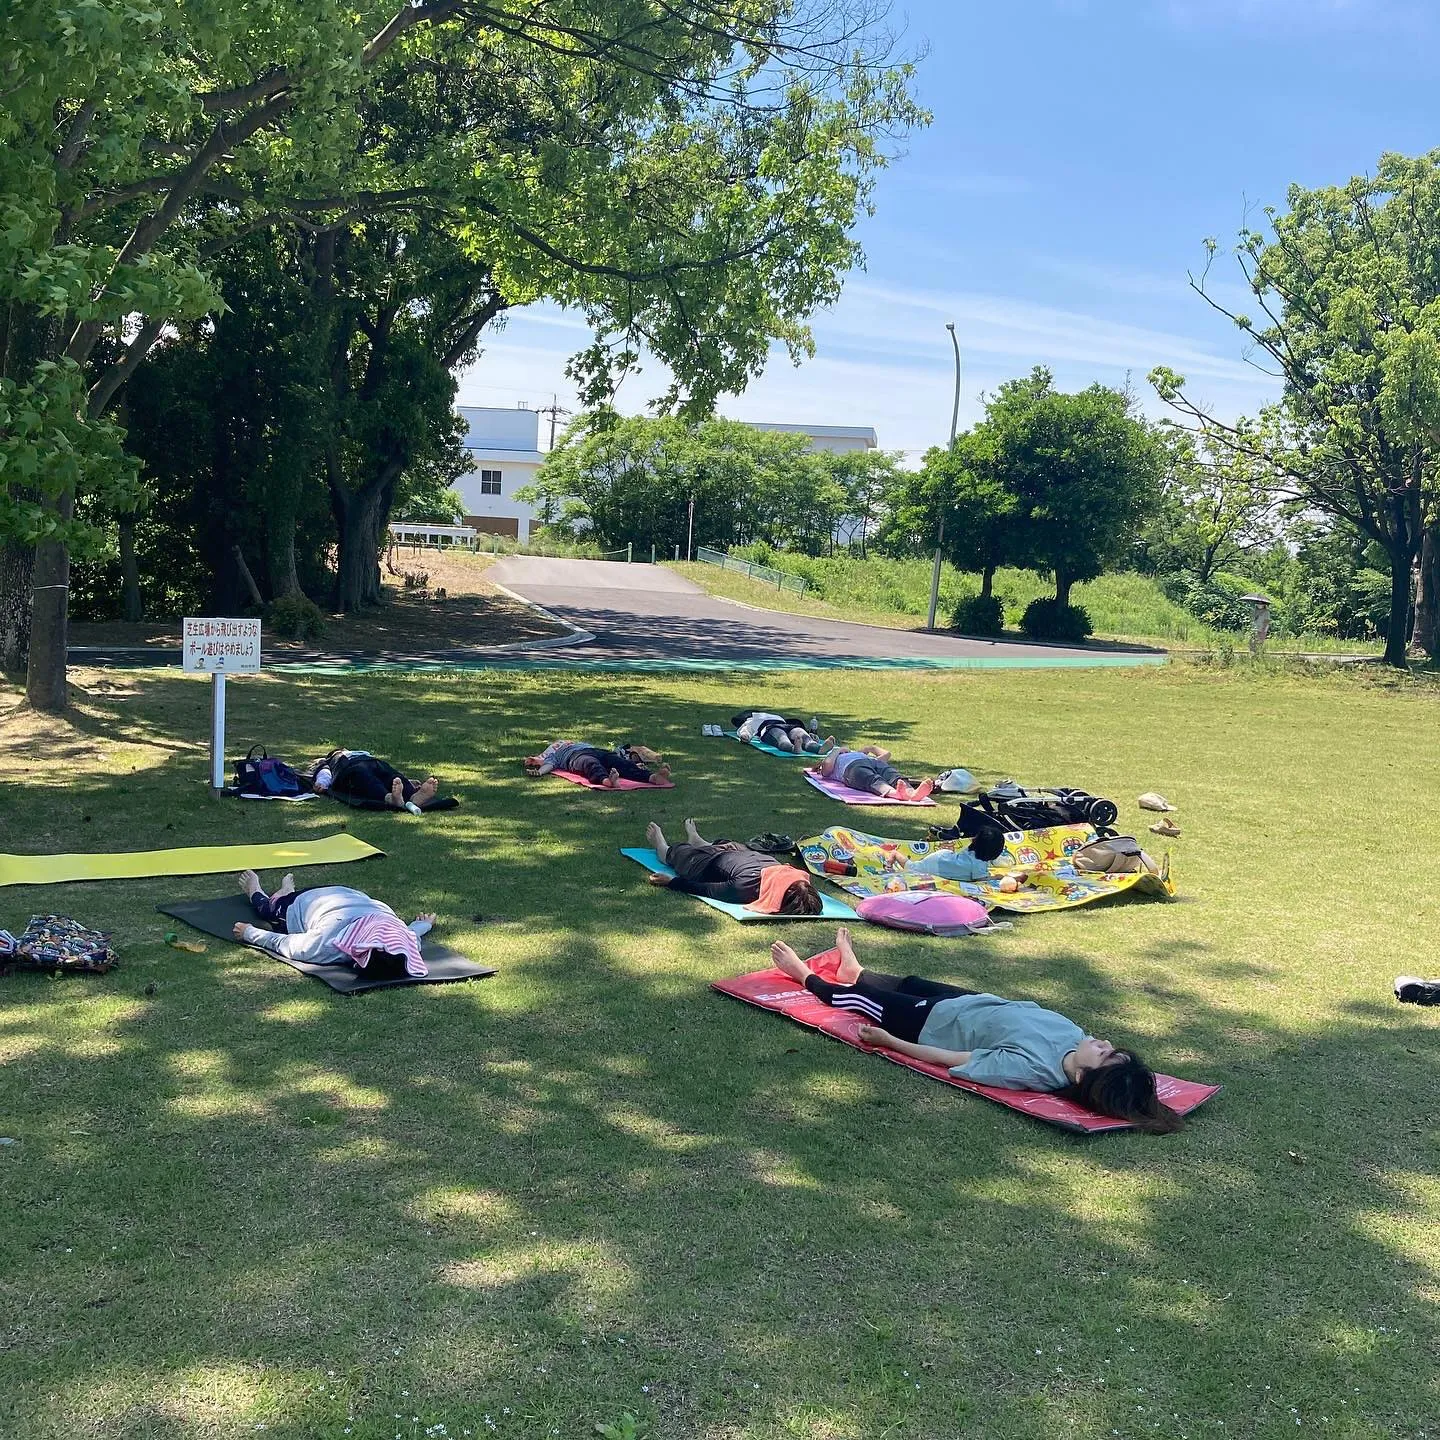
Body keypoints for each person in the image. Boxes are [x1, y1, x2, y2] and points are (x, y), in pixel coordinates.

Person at [769, 928, 1184, 1134]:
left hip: (928, 1025)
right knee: (908, 982)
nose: (1106, 1044)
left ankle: (804, 976)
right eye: (1115, 1049)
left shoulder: (1032, 1070)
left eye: (1107, 1056)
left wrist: (893, 1043)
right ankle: (856, 971)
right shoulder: (1075, 1041)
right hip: (967, 1004)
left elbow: (959, 1061)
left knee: (859, 1001)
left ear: (1081, 1077)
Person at [234, 870, 435, 977]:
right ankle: (273, 893)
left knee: (274, 910)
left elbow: (284, 943)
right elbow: (412, 934)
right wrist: (423, 926)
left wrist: (249, 933)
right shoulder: (402, 941)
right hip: (317, 900)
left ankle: (270, 891)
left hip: (338, 896)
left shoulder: (328, 945)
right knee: (269, 910)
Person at [644, 819, 823, 915]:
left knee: (678, 852)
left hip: (715, 861)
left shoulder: (751, 886)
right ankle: (691, 842)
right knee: (674, 854)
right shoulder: (795, 878)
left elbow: (708, 888)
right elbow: (707, 889)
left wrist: (672, 882)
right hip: (724, 856)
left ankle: (676, 843)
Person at [309, 749, 456, 813]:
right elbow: (325, 773)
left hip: (370, 763)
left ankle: (411, 796)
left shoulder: (355, 754)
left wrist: (407, 780)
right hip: (351, 768)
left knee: (390, 775)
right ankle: (394, 797)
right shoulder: (329, 761)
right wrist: (322, 783)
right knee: (373, 777)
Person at [525, 740, 671, 788]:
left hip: (595, 750)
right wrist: (539, 772)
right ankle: (607, 781)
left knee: (618, 762)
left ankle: (653, 777)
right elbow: (548, 765)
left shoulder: (580, 743)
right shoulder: (554, 755)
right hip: (576, 757)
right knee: (591, 764)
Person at [816, 744, 934, 801]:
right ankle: (896, 793)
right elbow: (826, 766)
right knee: (872, 779)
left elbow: (887, 754)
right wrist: (838, 750)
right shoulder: (834, 759)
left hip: (871, 762)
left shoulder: (859, 754)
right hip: (852, 768)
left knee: (891, 774)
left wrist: (870, 748)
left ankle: (911, 793)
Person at [732, 710, 834, 755]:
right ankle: (794, 748)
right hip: (770, 728)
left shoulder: (773, 717)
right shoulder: (750, 720)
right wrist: (745, 736)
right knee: (782, 738)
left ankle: (819, 749)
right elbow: (745, 730)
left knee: (801, 734)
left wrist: (810, 734)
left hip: (787, 725)